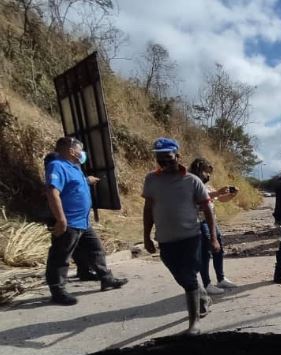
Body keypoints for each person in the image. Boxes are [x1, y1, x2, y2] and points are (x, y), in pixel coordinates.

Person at [142, 137, 219, 335]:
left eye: (169, 159)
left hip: (190, 237)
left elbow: (208, 210)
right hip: (165, 239)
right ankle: (203, 296)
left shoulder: (192, 181)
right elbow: (148, 208)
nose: (165, 164)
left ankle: (194, 324)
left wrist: (213, 238)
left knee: (189, 277)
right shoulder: (151, 180)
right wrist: (146, 236)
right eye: (160, 160)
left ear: (178, 156)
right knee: (181, 276)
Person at [44, 137, 127, 305]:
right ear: (70, 150)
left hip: (83, 222)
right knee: (60, 257)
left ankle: (106, 278)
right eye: (80, 149)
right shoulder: (57, 166)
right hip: (69, 222)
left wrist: (87, 180)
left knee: (96, 250)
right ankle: (58, 291)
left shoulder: (74, 167)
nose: (82, 153)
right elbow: (53, 193)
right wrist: (61, 220)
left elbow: (74, 185)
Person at [44, 152, 97, 281]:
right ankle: (57, 286)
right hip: (67, 218)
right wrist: (61, 220)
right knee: (62, 252)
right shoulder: (56, 166)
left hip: (78, 219)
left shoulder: (71, 168)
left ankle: (89, 272)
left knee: (84, 247)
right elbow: (59, 190)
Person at [188, 158, 238, 295]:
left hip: (212, 222)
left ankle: (221, 278)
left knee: (219, 249)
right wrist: (218, 193)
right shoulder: (191, 183)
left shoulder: (208, 186)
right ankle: (206, 283)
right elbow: (201, 198)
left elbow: (221, 199)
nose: (208, 175)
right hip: (200, 223)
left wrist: (232, 195)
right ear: (199, 170)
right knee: (205, 253)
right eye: (206, 172)